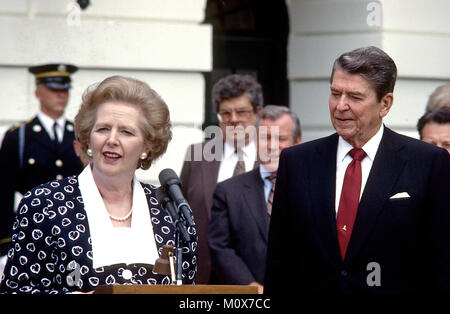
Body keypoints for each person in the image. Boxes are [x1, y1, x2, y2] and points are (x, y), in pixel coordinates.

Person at [265, 46, 450, 295]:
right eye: (335, 93)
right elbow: (279, 262)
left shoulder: (428, 162)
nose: (340, 106)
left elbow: (442, 265)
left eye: (354, 97)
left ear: (385, 104)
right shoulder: (296, 162)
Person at [0, 76, 197, 293]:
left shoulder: (169, 211)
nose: (112, 139)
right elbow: (15, 291)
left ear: (147, 146)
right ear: (88, 138)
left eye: (126, 131)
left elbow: (188, 293)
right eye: (103, 129)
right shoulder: (43, 204)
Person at [208, 105, 301, 294]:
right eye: (265, 138)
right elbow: (220, 247)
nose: (271, 146)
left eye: (281, 139)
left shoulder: (318, 186)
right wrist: (249, 286)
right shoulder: (228, 191)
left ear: (297, 142)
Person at [180, 74, 263, 284]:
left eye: (241, 112)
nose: (233, 119)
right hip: (204, 280)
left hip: (258, 282)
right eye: (225, 113)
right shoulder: (197, 157)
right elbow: (181, 216)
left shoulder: (274, 159)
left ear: (257, 114)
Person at [0, 64, 84, 260]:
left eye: (65, 89)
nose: (61, 95)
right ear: (38, 92)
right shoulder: (19, 136)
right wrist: (5, 245)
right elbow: (3, 194)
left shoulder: (80, 134)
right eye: (54, 89)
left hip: (73, 230)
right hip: (32, 231)